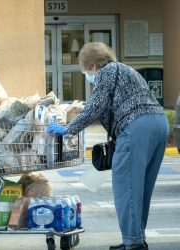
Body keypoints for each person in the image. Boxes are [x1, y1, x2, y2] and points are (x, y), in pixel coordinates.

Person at [48, 42, 168, 250]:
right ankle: (136, 238)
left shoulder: (107, 72)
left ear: (92, 65)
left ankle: (133, 244)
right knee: (142, 189)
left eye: (86, 70)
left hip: (136, 127)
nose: (88, 75)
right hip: (159, 124)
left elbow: (96, 105)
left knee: (127, 188)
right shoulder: (127, 70)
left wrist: (69, 128)